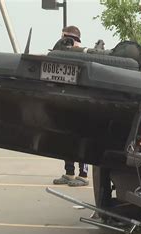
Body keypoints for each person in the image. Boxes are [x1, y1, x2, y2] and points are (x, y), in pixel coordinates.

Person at [52, 25, 89, 187]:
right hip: (66, 103)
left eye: (64, 37)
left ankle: (83, 175)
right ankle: (69, 173)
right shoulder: (62, 53)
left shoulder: (84, 55)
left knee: (82, 141)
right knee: (66, 140)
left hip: (82, 106)